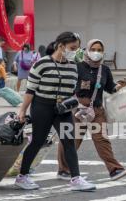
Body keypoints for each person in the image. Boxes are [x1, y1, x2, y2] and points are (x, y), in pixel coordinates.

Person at [15, 31, 96, 191]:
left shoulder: (73, 67)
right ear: (61, 46)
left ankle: (76, 179)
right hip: (42, 106)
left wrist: (76, 106)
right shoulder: (41, 64)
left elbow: (72, 91)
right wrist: (22, 110)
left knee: (69, 141)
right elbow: (30, 91)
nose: (74, 52)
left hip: (63, 109)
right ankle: (22, 177)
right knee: (37, 141)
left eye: (77, 49)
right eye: (72, 48)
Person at [57, 39, 126, 181]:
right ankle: (63, 169)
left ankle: (115, 170)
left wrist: (119, 86)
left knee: (102, 140)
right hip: (77, 109)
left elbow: (110, 88)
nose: (96, 53)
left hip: (97, 111)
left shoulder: (104, 69)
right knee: (72, 140)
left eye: (99, 50)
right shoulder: (77, 67)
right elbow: (67, 86)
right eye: (93, 49)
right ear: (87, 50)